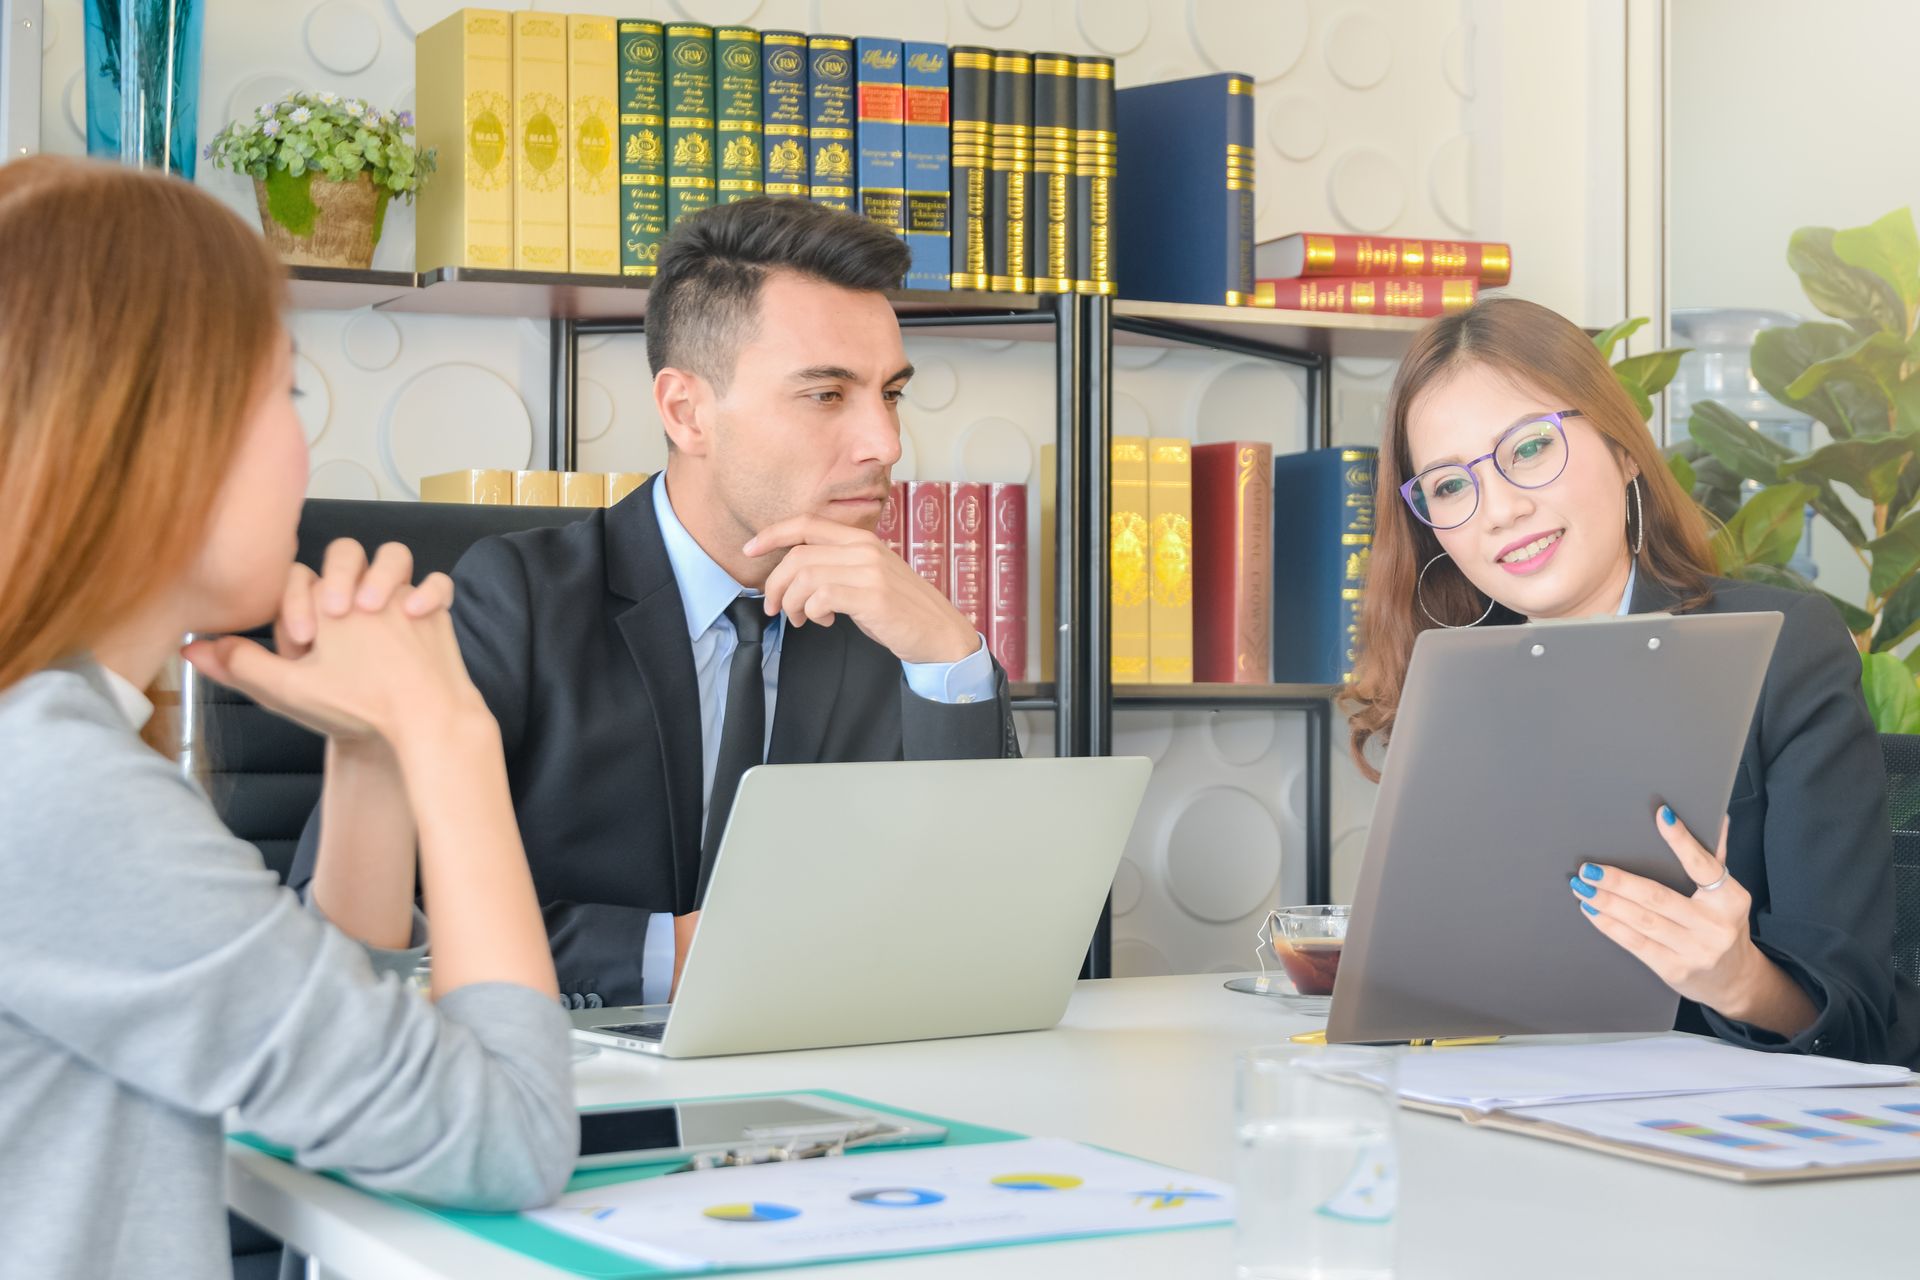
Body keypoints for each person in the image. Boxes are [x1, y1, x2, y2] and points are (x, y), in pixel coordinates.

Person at [0, 158, 578, 1279]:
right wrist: (445, 727)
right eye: (287, 395)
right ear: (165, 433)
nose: (303, 449)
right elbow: (507, 1137)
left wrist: (368, 753)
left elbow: (312, 1057)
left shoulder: (47, 739)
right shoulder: (51, 780)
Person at [290, 197, 1019, 1008]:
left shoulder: (890, 624)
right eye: (826, 395)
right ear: (685, 411)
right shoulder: (516, 601)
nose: (884, 443)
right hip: (559, 1092)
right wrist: (668, 954)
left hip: (830, 1094)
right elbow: (365, 924)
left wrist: (951, 657)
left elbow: (983, 921)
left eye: (892, 395)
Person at [1346, 295, 1920, 1066]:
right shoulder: (1451, 691)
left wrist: (1738, 979)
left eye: (1528, 449)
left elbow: (1857, 1027)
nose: (1501, 510)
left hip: (1715, 1136)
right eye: (1450, 486)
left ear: (1622, 451)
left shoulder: (1785, 650)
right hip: (1501, 1115)